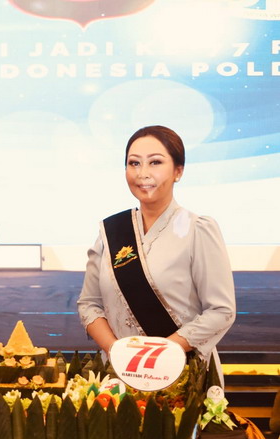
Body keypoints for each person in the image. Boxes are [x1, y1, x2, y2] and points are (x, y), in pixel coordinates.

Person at [77, 125, 235, 364]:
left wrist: (156, 354)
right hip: (120, 369)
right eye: (134, 163)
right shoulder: (110, 232)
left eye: (155, 162)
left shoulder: (198, 230)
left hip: (180, 369)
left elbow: (221, 311)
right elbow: (89, 304)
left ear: (178, 171)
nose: (142, 173)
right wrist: (116, 351)